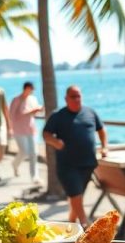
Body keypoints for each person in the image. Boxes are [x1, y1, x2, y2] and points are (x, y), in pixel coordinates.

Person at [42, 86, 107, 225]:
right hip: (67, 165)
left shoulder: (90, 112)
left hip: (88, 164)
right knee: (75, 193)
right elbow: (46, 134)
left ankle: (71, 223)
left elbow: (101, 130)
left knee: (76, 196)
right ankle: (84, 223)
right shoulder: (58, 115)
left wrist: (104, 147)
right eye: (73, 96)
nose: (76, 99)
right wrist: (55, 142)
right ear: (66, 99)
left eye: (78, 96)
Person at [10, 82, 43, 183]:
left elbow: (36, 111)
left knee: (34, 153)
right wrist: (10, 129)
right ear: (26, 88)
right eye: (30, 89)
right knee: (24, 152)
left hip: (31, 129)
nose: (31, 91)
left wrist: (39, 110)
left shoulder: (32, 99)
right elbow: (12, 115)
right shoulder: (16, 100)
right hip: (19, 130)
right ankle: (15, 164)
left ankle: (35, 176)